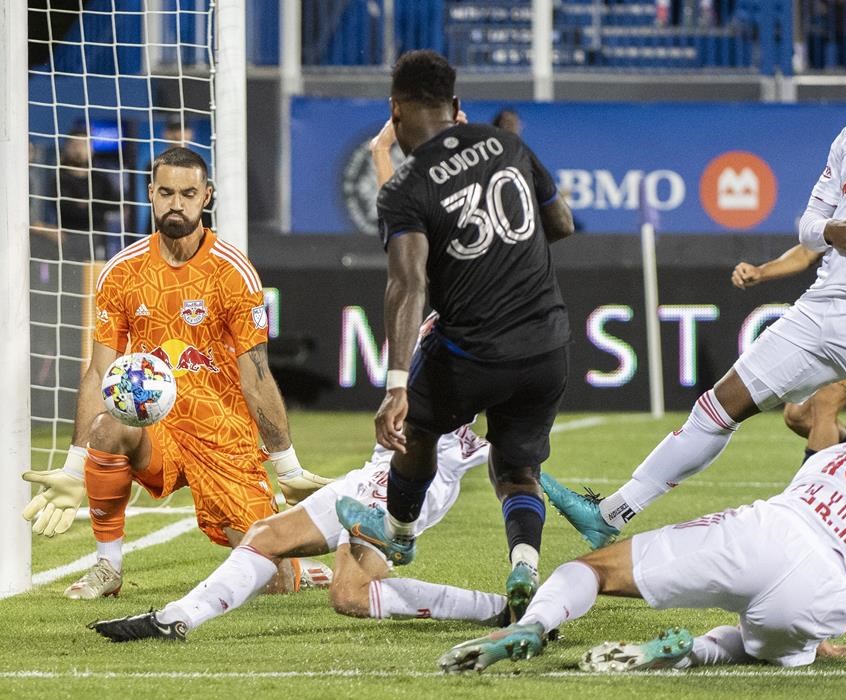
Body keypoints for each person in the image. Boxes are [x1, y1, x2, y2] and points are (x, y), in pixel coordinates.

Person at [542, 22, 846, 616]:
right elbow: (808, 223)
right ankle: (610, 513)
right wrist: (832, 230)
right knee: (719, 405)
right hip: (821, 304)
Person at [438, 410, 846, 673]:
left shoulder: (842, 453)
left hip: (766, 531)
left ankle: (532, 625)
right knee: (759, 644)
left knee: (595, 569)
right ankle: (686, 652)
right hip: (821, 597)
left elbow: (803, 521)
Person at [20, 147, 332, 599]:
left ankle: (297, 568)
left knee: (274, 583)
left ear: (206, 196)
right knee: (110, 426)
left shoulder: (233, 273)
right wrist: (74, 465)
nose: (176, 204)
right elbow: (98, 372)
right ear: (150, 194)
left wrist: (286, 464)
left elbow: (257, 377)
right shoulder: (123, 272)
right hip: (155, 426)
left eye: (188, 193)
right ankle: (108, 568)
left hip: (221, 433)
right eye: (166, 192)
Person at [334, 50, 575, 619]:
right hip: (547, 345)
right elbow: (561, 224)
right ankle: (524, 565)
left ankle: (399, 531)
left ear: (395, 110)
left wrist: (396, 385)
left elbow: (407, 286)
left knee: (417, 433)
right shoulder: (509, 145)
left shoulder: (405, 189)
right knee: (517, 471)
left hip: (472, 351)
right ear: (456, 106)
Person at [87, 424, 517, 642]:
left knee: (350, 594)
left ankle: (503, 610)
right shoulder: (430, 324)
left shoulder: (474, 338)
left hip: (416, 474)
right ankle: (176, 618)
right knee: (266, 536)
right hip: (377, 471)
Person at [731, 244, 846, 458]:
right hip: (833, 320)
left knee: (826, 402)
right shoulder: (844, 213)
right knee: (798, 416)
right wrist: (760, 271)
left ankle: (813, 488)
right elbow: (807, 251)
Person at [57, 127, 120, 261]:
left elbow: (115, 205)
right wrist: (92, 206)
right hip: (67, 238)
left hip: (98, 237)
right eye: (74, 145)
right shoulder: (59, 178)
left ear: (91, 149)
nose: (78, 149)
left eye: (83, 145)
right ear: (67, 148)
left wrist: (87, 205)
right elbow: (64, 208)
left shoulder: (101, 179)